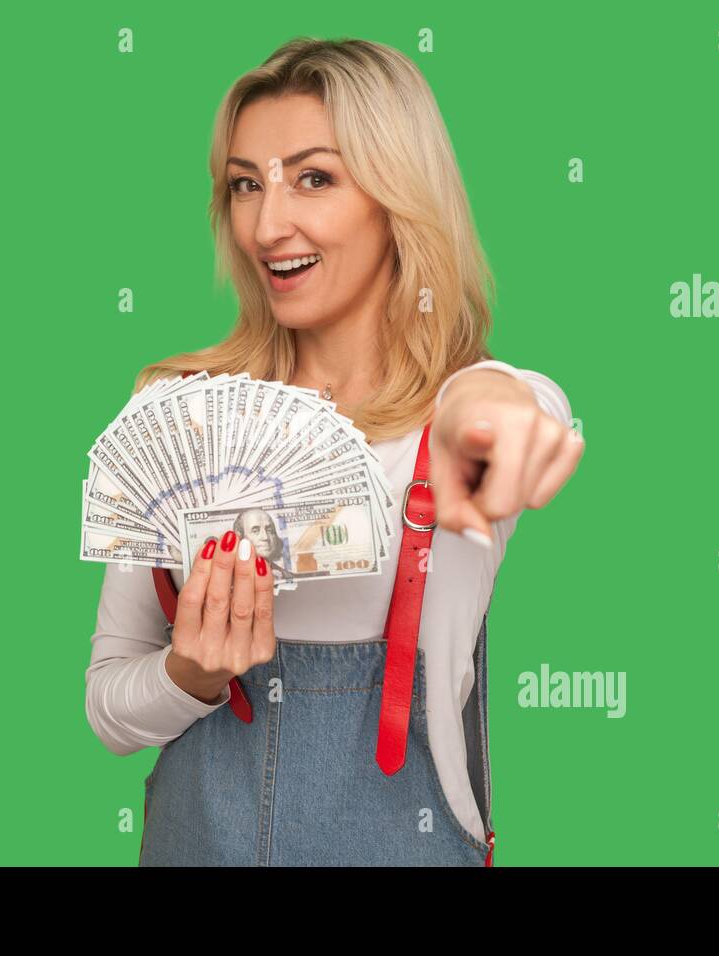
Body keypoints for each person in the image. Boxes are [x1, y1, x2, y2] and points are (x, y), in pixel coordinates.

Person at [85, 36, 583, 866]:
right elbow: (108, 709)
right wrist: (190, 676)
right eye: (246, 184)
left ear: (398, 196)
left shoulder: (461, 422)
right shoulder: (176, 417)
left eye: (313, 178)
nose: (267, 224)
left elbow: (511, 402)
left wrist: (489, 404)